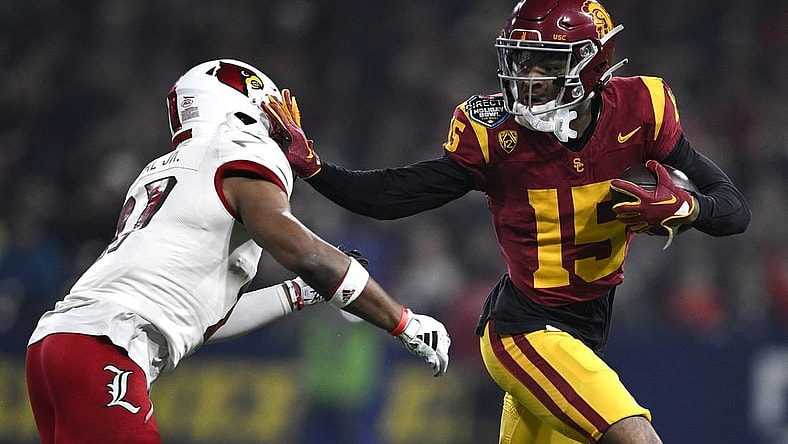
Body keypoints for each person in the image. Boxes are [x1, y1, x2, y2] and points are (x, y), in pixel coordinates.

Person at [263, 0, 752, 442]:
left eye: (546, 63)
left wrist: (688, 210)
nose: (529, 77)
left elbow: (733, 209)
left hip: (584, 332)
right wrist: (316, 169)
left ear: (592, 64)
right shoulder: (497, 136)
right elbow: (395, 194)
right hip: (524, 330)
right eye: (521, 61)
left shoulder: (641, 109)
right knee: (635, 437)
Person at [24, 59, 450, 444]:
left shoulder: (166, 169)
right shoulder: (239, 149)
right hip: (105, 347)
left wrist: (301, 293)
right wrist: (402, 321)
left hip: (58, 346)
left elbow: (200, 322)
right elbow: (305, 252)